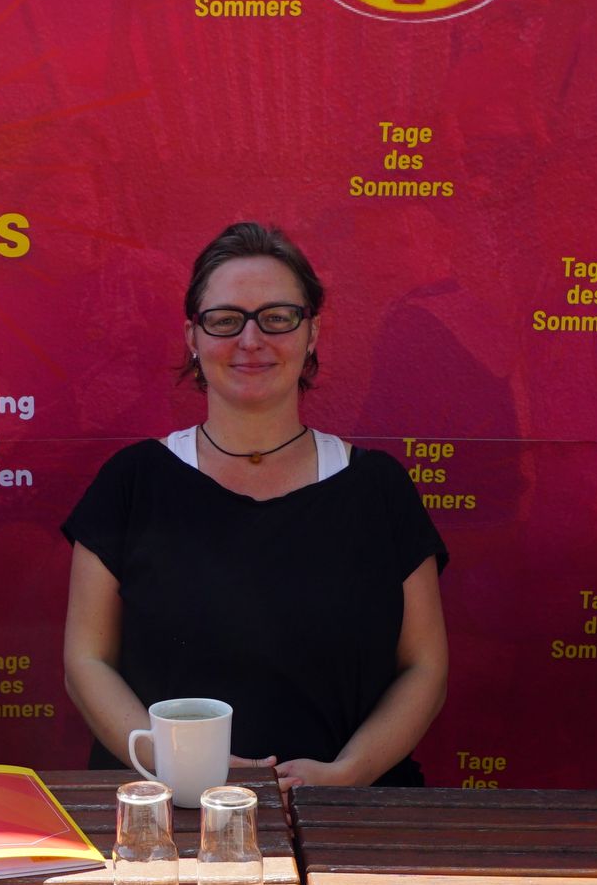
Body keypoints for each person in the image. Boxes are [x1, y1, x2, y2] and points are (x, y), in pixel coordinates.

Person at [62, 222, 449, 791]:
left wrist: (347, 775)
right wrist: (179, 766)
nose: (251, 340)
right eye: (225, 320)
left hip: (354, 818)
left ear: (312, 332)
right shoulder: (131, 482)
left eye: (278, 317)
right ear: (192, 337)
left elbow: (425, 668)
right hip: (169, 814)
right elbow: (86, 662)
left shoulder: (378, 488)